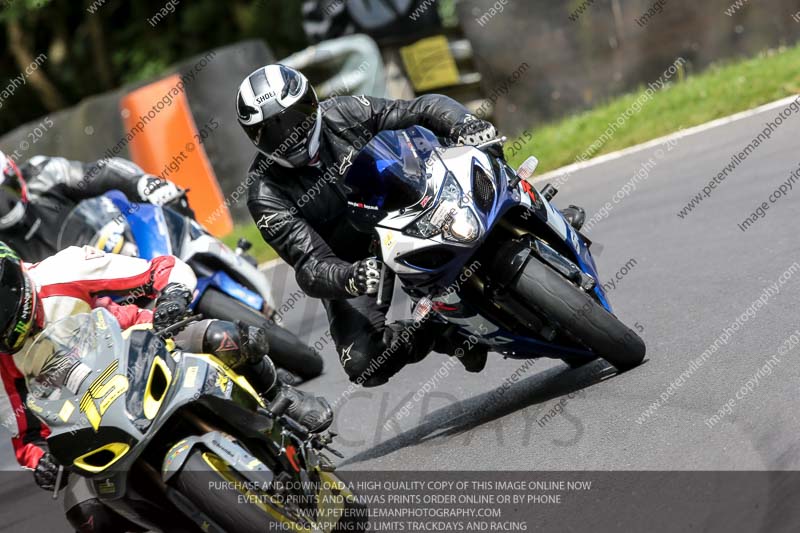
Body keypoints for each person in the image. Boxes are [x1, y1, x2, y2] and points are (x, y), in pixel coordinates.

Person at [238, 65, 586, 387]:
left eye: (295, 119)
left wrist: (463, 123)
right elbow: (310, 264)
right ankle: (440, 331)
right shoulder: (265, 194)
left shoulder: (343, 112)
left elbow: (417, 109)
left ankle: (533, 212)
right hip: (359, 259)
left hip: (409, 198)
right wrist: (350, 277)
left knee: (484, 148)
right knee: (363, 363)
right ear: (255, 138)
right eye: (272, 132)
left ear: (312, 104)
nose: (290, 136)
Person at [0, 241, 332, 532]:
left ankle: (283, 397)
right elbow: (25, 434)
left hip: (142, 346)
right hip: (86, 419)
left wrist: (172, 296)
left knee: (225, 338)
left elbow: (162, 268)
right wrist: (40, 459)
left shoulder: (63, 269)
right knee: (84, 512)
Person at [0, 151, 190, 262]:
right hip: (86, 307)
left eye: (4, 190)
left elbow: (98, 173)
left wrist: (139, 182)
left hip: (123, 248)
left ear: (12, 173)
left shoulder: (43, 174)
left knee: (170, 202)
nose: (4, 204)